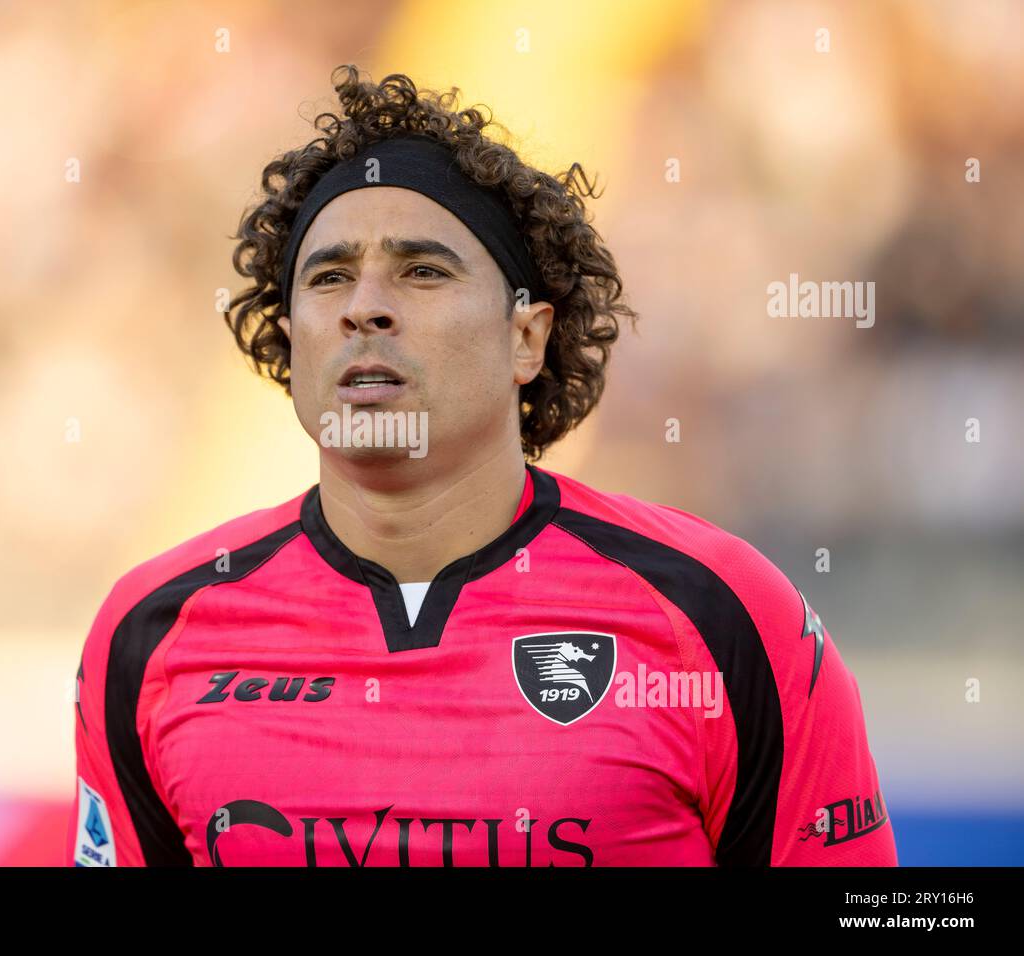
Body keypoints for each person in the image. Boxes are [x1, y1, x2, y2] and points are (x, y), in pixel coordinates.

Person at [68, 65, 896, 867]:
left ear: (525, 337)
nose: (365, 307)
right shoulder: (153, 632)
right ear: (291, 339)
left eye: (422, 270)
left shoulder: (720, 614)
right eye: (329, 278)